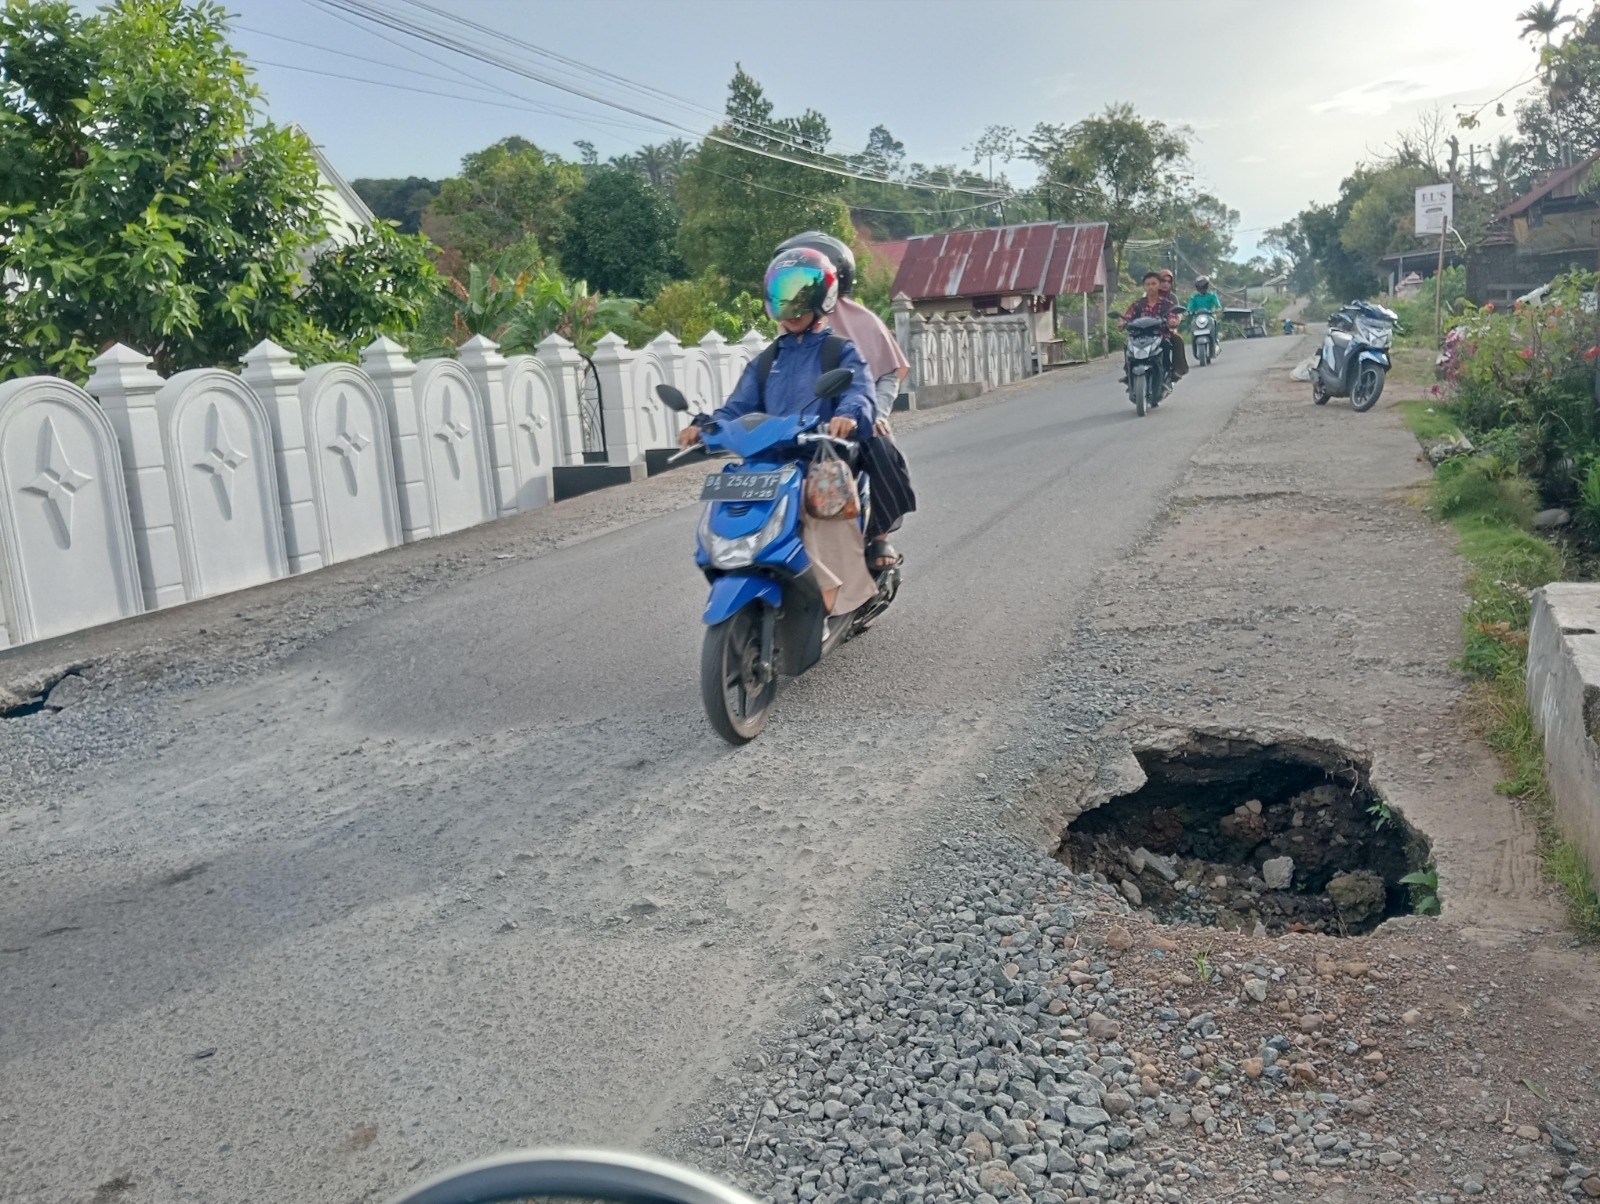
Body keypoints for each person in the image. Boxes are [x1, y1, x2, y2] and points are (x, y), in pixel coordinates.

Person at [770, 231, 916, 572]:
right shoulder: (788, 325)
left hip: (854, 421)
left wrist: (876, 413)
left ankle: (879, 534)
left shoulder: (862, 321)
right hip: (804, 423)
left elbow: (888, 373)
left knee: (880, 448)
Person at [1155, 268, 1189, 380]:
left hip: (1166, 329)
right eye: (1163, 281)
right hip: (1149, 330)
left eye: (1168, 282)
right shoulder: (1149, 295)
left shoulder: (1172, 297)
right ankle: (1130, 372)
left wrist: (1175, 321)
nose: (1165, 284)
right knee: (1129, 343)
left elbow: (1177, 313)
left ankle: (1176, 369)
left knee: (1177, 340)